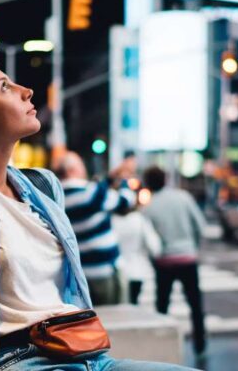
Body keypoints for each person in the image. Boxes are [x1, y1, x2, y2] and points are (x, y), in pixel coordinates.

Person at [0, 53, 194, 371]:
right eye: (4, 87)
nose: (27, 91)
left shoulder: (43, 186)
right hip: (15, 360)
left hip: (82, 354)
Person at [141, 166, 208, 357]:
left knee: (162, 305)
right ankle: (200, 345)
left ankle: (163, 345)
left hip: (164, 262)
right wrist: (193, 247)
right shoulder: (183, 198)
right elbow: (200, 226)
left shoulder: (149, 208)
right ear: (166, 179)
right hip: (187, 258)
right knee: (195, 304)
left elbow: (148, 241)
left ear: (148, 184)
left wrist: (155, 258)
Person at [55, 151, 136, 305]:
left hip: (80, 274)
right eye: (81, 165)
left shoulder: (59, 198)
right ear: (72, 170)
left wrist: (111, 177)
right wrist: (125, 180)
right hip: (104, 271)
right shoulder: (91, 193)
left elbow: (100, 190)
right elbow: (126, 201)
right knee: (114, 315)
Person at [112, 201, 162, 305]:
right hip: (137, 269)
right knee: (133, 301)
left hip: (117, 270)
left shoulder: (111, 220)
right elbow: (154, 246)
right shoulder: (139, 220)